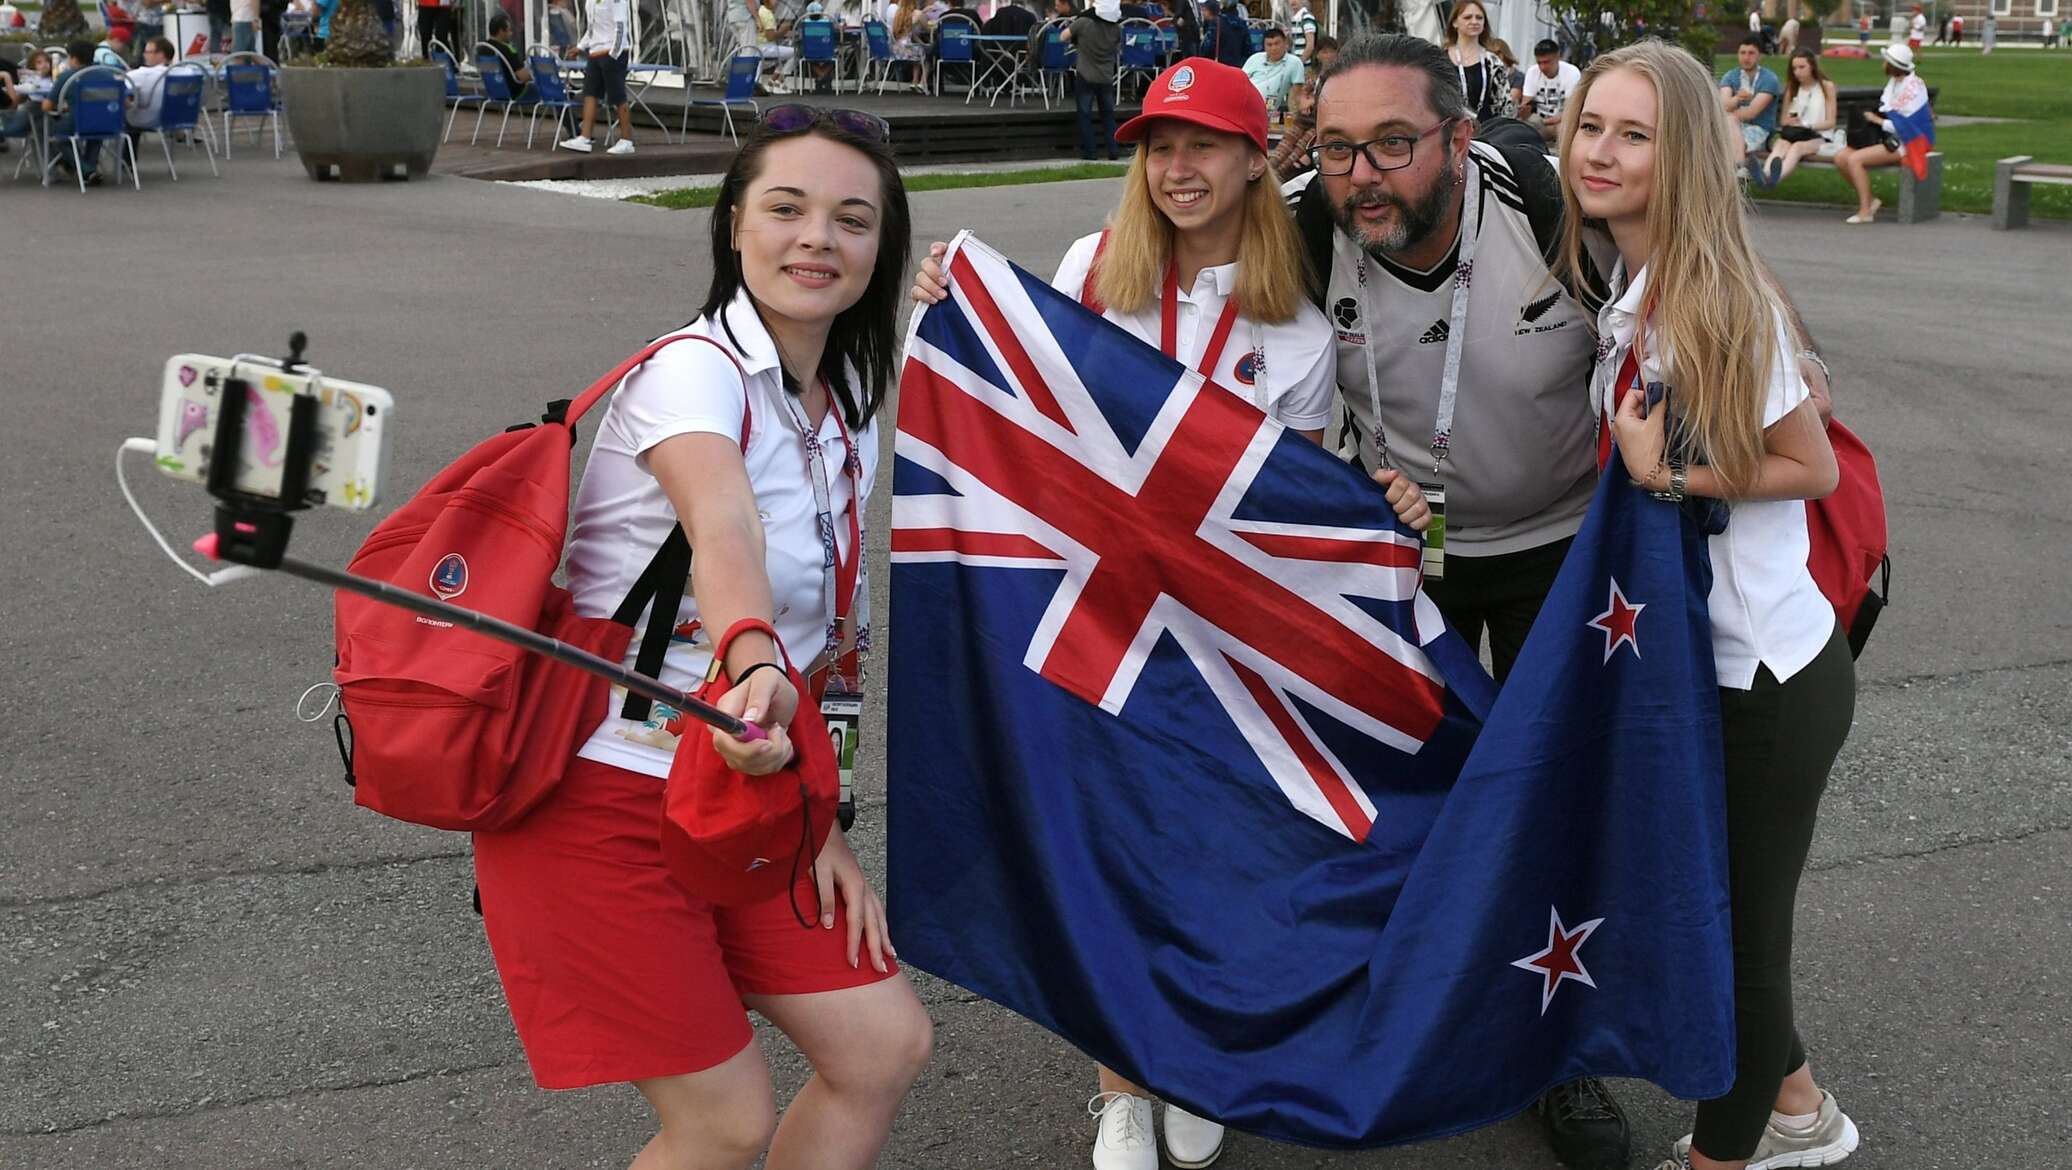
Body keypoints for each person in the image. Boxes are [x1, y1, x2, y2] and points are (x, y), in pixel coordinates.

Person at [912, 57, 1428, 1170]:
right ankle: (1118, 1087)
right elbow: (1016, 419)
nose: (1176, 168)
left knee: (1205, 852)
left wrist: (1371, 502)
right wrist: (954, 314)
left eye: (1200, 145)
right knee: (1102, 850)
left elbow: (1293, 492)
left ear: (1256, 159)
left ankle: (1191, 1061)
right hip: (1088, 616)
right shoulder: (1088, 270)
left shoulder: (1291, 316)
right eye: (1157, 145)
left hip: (1218, 641)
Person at [475, 103, 932, 1170]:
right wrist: (754, 659)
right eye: (786, 208)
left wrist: (814, 820)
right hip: (597, 799)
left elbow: (830, 626)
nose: (818, 237)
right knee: (722, 1123)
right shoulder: (692, 369)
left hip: (742, 788)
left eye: (852, 219)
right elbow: (720, 526)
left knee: (880, 1046)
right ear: (733, 224)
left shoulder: (847, 396)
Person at [1286, 34, 1629, 1164]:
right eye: (1337, 148)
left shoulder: (1541, 205)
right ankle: (1387, 1016)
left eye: (1391, 143)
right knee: (1376, 804)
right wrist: (969, 297)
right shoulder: (1298, 227)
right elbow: (1143, 293)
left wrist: (1794, 372)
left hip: (1555, 549)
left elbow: (1700, 288)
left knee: (1554, 803)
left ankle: (1560, 1054)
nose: (1360, 176)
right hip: (1393, 561)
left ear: (1457, 137)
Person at [1560, 38, 1861, 1170]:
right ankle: (1797, 1109)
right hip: (1701, 671)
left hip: (1764, 681)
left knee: (1735, 947)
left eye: (1632, 134)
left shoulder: (1711, 296)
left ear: (1681, 153)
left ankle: (1724, 1158)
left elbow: (1809, 465)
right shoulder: (1635, 283)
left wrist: (1663, 477)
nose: (1599, 151)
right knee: (1715, 923)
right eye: (1591, 124)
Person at [1834, 42, 1930, 225]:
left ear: (1894, 65)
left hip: (1907, 143)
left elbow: (1908, 127)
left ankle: (1865, 211)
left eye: (1886, 61)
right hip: (1888, 139)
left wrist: (1878, 121)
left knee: (1855, 159)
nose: (1883, 64)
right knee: (1840, 157)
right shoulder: (1895, 82)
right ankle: (1870, 200)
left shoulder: (1914, 89)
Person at [1752, 49, 1837, 189]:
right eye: (1794, 68)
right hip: (1795, 134)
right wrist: (1791, 121)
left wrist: (1807, 125)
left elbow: (1831, 122)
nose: (1797, 72)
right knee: (1781, 144)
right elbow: (1783, 120)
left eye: (1802, 67)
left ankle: (1773, 179)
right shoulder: (1793, 88)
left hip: (1819, 136)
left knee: (1797, 147)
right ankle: (1765, 176)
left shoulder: (1826, 87)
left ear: (1812, 66)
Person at [559, 0, 635, 154]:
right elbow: (592, 28)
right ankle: (585, 137)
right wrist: (580, 47)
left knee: (617, 95)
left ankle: (626, 140)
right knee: (590, 93)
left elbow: (621, 26)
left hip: (612, 51)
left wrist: (613, 53)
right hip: (595, 52)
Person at [1063, 0, 1120, 160]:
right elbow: (1117, 48)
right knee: (1108, 115)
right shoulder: (1116, 29)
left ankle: (1090, 151)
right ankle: (1113, 149)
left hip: (1085, 74)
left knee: (1085, 114)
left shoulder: (1083, 23)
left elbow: (1063, 36)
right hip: (1107, 76)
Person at [1718, 33, 1782, 174]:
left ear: (1760, 56)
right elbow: (1723, 105)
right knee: (1723, 131)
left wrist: (1730, 115)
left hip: (1759, 129)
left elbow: (1752, 113)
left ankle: (1738, 167)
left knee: (1727, 128)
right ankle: (1739, 169)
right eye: (1743, 53)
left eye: (1751, 53)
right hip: (1731, 127)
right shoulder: (1730, 76)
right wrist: (1738, 99)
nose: (1746, 57)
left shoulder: (1769, 79)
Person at [1442, 0, 1515, 120]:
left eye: (1479, 18)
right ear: (1455, 22)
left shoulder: (1493, 62)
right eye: (1467, 17)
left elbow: (1504, 105)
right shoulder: (1440, 59)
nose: (1474, 21)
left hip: (1487, 132)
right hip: (1449, 131)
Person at [1519, 37, 1581, 144]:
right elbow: (1526, 106)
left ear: (1557, 58)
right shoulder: (1532, 72)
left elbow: (1570, 111)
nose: (1542, 67)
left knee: (1565, 128)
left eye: (1547, 62)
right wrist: (1523, 110)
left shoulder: (1571, 72)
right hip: (1538, 121)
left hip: (1560, 121)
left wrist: (1544, 122)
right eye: (1539, 63)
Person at [1242, 27, 1304, 116]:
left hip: (1266, 112)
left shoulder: (1294, 62)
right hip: (1245, 103)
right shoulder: (1255, 58)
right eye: (1269, 45)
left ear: (1285, 43)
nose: (1274, 48)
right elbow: (1241, 81)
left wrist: (1294, 117)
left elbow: (1296, 95)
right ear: (1264, 46)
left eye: (1277, 43)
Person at [484, 12, 533, 98]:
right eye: (509, 30)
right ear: (501, 31)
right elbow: (523, 77)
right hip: (515, 93)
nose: (511, 34)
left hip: (493, 91)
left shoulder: (482, 49)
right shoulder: (507, 49)